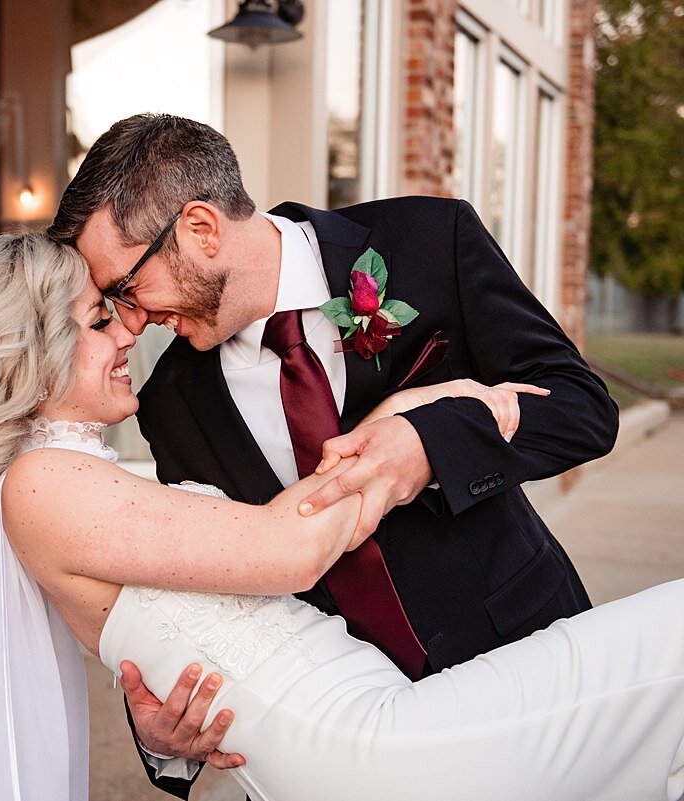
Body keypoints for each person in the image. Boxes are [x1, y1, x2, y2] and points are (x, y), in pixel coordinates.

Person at [0, 232, 684, 801]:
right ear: (27, 356)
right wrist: (424, 421)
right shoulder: (42, 484)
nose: (128, 327)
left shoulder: (76, 478)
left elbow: (247, 550)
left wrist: (416, 406)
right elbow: (291, 547)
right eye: (99, 319)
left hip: (385, 712)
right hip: (365, 741)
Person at [45, 113, 619, 794]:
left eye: (126, 287)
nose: (131, 320)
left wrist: (429, 443)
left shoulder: (432, 240)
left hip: (528, 655)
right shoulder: (171, 401)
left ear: (200, 228)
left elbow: (584, 408)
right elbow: (208, 588)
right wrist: (165, 739)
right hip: (347, 741)